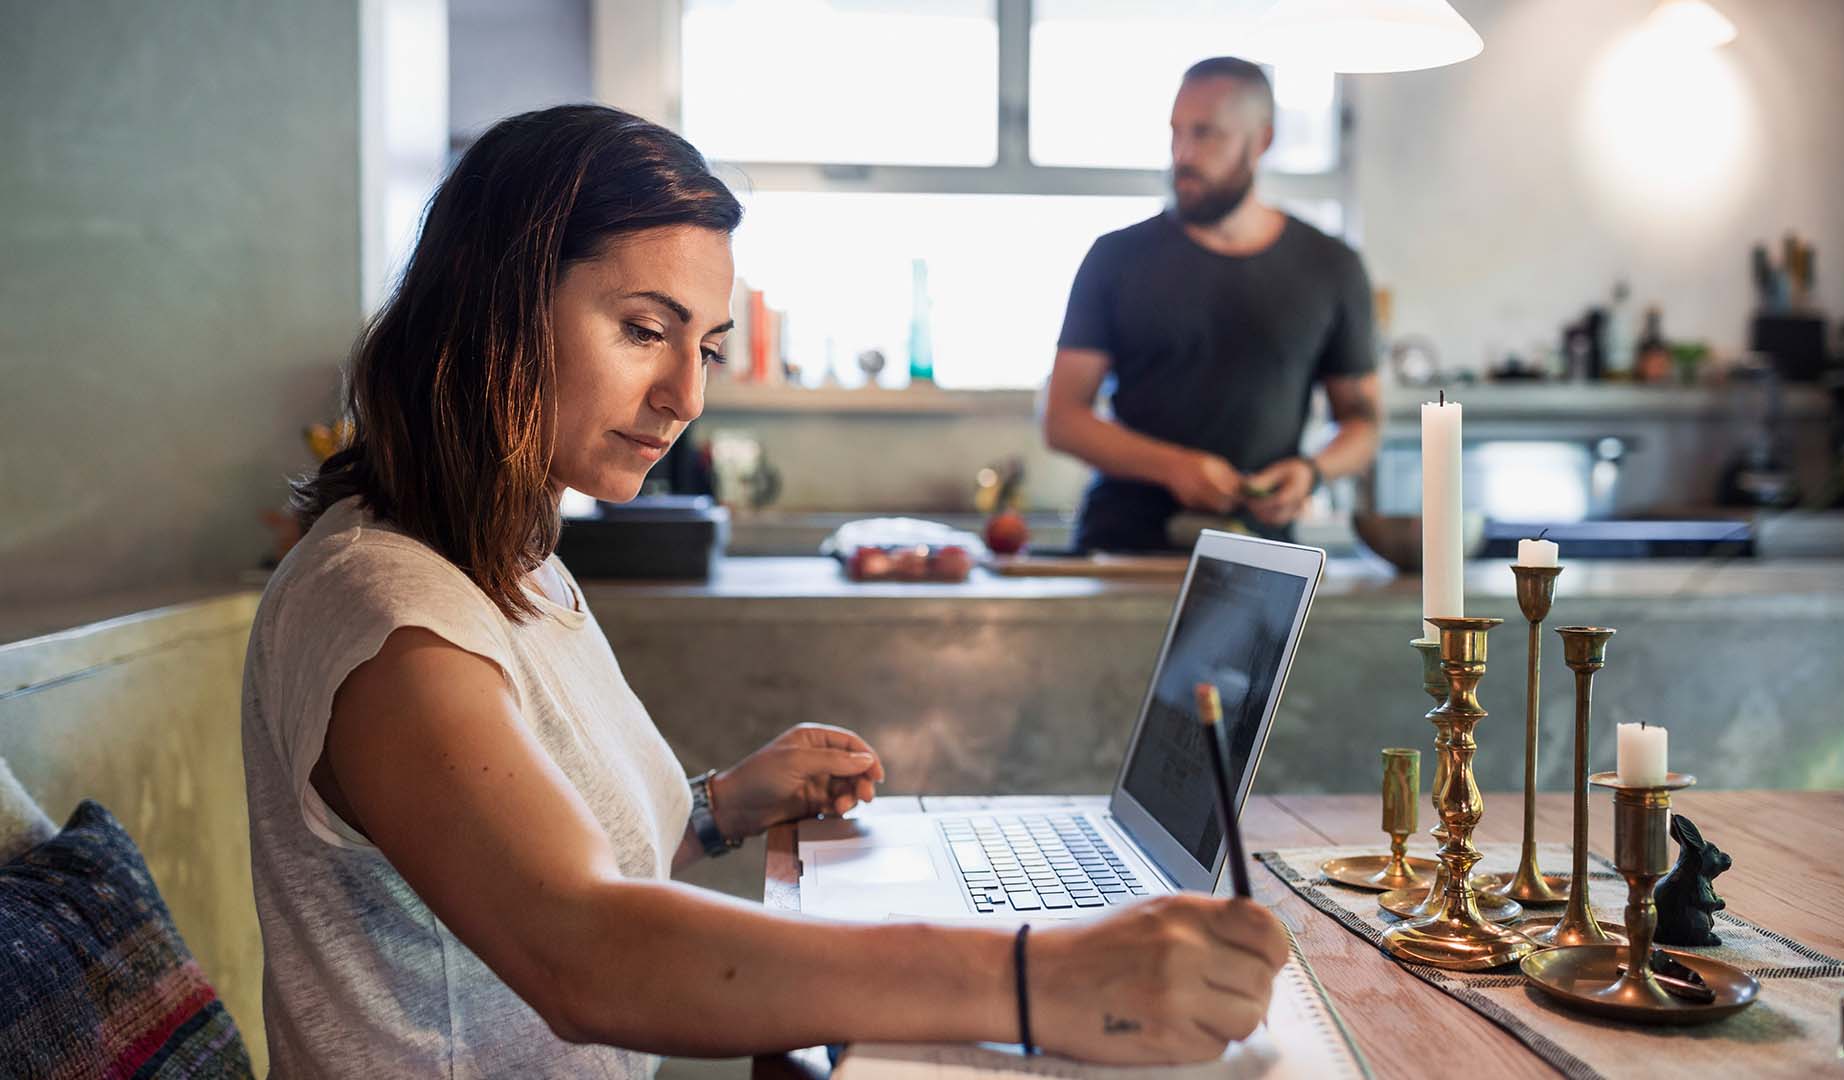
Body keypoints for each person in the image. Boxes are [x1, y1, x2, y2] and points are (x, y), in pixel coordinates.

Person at [241, 104, 1289, 1078]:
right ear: (495, 309)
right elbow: (583, 949)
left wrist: (720, 805)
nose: (686, 395)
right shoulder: (388, 614)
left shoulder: (511, 564)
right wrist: (1038, 977)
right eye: (645, 330)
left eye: (704, 347)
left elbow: (518, 846)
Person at [1044, 57, 1382, 553]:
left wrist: (1312, 472)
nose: (1183, 153)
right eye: (1176, 132)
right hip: (1123, 551)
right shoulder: (1115, 257)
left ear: (1261, 141)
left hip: (1262, 555)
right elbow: (1062, 418)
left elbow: (1362, 422)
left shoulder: (1332, 266)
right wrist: (1174, 467)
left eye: (1206, 135)